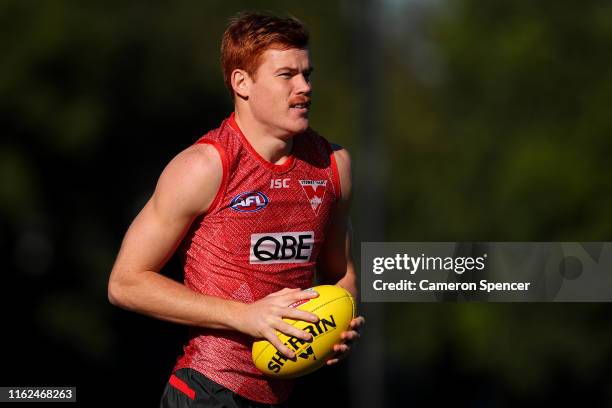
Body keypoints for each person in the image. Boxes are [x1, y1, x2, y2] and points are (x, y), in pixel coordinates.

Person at [108, 11, 364, 408]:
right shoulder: (203, 167)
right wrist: (245, 316)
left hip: (292, 390)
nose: (304, 88)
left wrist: (340, 321)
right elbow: (125, 283)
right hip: (209, 389)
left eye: (307, 74)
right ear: (241, 83)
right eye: (286, 76)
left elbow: (340, 273)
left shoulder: (334, 165)